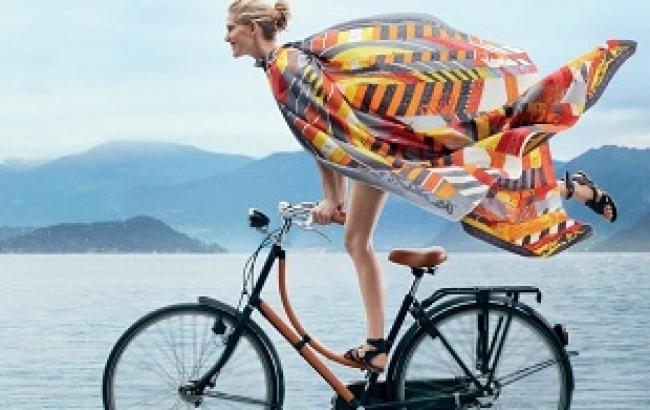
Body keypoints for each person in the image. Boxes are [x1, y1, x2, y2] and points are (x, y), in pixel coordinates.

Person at [225, 0, 633, 371]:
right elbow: (321, 135)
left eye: (231, 28)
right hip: (374, 145)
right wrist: (334, 198)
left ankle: (376, 346)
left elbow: (325, 136)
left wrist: (333, 198)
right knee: (464, 187)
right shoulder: (288, 61)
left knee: (468, 186)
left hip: (382, 145)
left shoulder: (285, 67)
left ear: (253, 27)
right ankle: (573, 189)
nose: (227, 37)